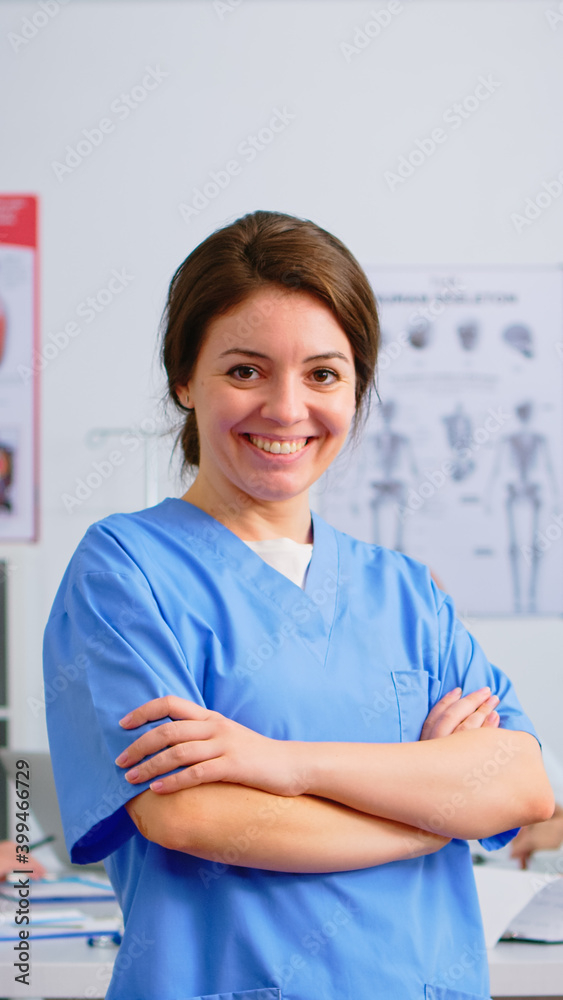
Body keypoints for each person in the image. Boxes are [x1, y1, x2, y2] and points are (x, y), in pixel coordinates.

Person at [43, 210, 554, 1000]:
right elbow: (190, 817)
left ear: (355, 389)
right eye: (245, 370)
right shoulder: (125, 570)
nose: (286, 409)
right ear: (184, 378)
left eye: (322, 374)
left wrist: (282, 763)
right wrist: (429, 817)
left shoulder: (405, 591)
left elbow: (520, 784)